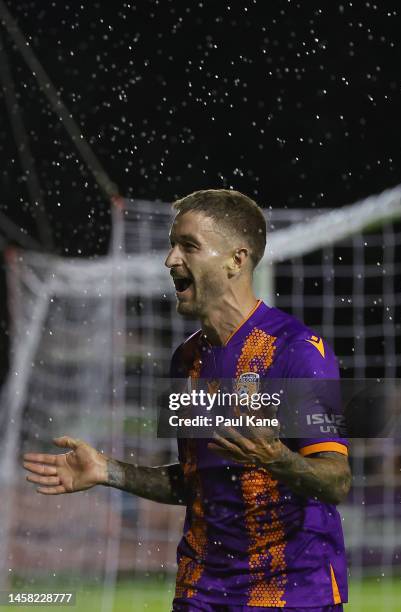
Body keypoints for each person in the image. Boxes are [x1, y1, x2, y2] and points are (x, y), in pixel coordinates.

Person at [23, 189, 351, 612]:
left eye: (189, 246)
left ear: (237, 259)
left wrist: (276, 459)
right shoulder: (186, 361)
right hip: (202, 589)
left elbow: (337, 480)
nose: (170, 260)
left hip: (292, 591)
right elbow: (195, 481)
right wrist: (109, 470)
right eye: (172, 244)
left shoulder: (297, 350)